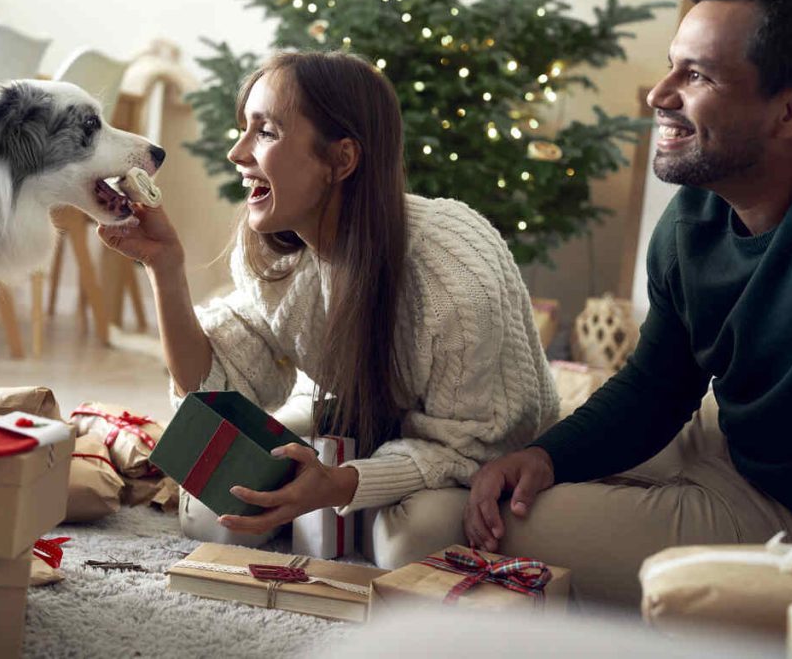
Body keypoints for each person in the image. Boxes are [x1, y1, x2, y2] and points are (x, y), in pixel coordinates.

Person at [463, 0, 792, 608]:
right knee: (443, 508)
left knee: (471, 534)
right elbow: (656, 386)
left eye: (697, 77)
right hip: (734, 444)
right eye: (672, 66)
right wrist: (546, 456)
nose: (659, 95)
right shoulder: (691, 218)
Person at [98, 50, 558, 568]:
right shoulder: (278, 252)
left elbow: (470, 443)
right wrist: (165, 265)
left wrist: (339, 484)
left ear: (341, 160)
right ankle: (322, 503)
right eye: (242, 128)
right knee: (216, 507)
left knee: (407, 544)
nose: (236, 152)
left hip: (474, 443)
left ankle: (335, 505)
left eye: (265, 131)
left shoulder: (453, 276)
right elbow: (215, 390)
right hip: (355, 414)